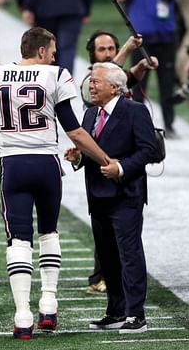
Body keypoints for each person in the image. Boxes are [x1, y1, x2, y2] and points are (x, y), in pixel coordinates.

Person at [0, 27, 110, 340]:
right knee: (48, 231)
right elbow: (76, 132)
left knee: (19, 239)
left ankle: (22, 317)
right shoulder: (54, 76)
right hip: (46, 164)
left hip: (13, 165)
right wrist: (105, 159)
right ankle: (48, 303)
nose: (55, 57)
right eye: (53, 52)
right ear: (42, 52)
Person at [64, 62, 159, 334]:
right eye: (91, 82)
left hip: (126, 194)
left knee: (129, 254)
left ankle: (135, 314)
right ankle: (115, 310)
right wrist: (79, 157)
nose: (90, 86)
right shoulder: (90, 115)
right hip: (97, 195)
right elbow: (90, 153)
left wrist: (121, 167)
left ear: (114, 87)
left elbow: (148, 150)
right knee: (107, 256)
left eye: (96, 82)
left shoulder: (135, 111)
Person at [80, 30, 156, 294]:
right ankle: (111, 297)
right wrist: (128, 47)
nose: (109, 53)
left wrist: (140, 67)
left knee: (128, 247)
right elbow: (113, 76)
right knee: (107, 248)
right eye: (102, 49)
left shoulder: (128, 103)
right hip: (98, 190)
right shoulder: (92, 91)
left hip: (126, 188)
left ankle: (133, 309)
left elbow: (122, 80)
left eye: (112, 48)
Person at [114, 0, 178, 138]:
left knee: (167, 83)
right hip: (142, 34)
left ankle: (169, 124)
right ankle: (136, 125)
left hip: (166, 34)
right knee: (138, 83)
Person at [20, 0, 92, 75]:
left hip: (45, 8)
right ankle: (65, 83)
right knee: (67, 49)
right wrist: (86, 9)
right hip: (72, 7)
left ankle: (46, 81)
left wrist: (28, 7)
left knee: (45, 48)